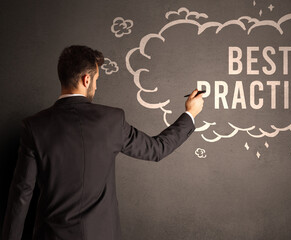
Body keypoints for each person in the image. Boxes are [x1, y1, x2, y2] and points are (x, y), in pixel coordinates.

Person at [2, 45, 204, 240]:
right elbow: (157, 149)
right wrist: (190, 113)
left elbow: (21, 194)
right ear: (86, 79)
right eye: (97, 79)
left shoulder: (34, 126)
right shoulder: (112, 120)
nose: (96, 86)